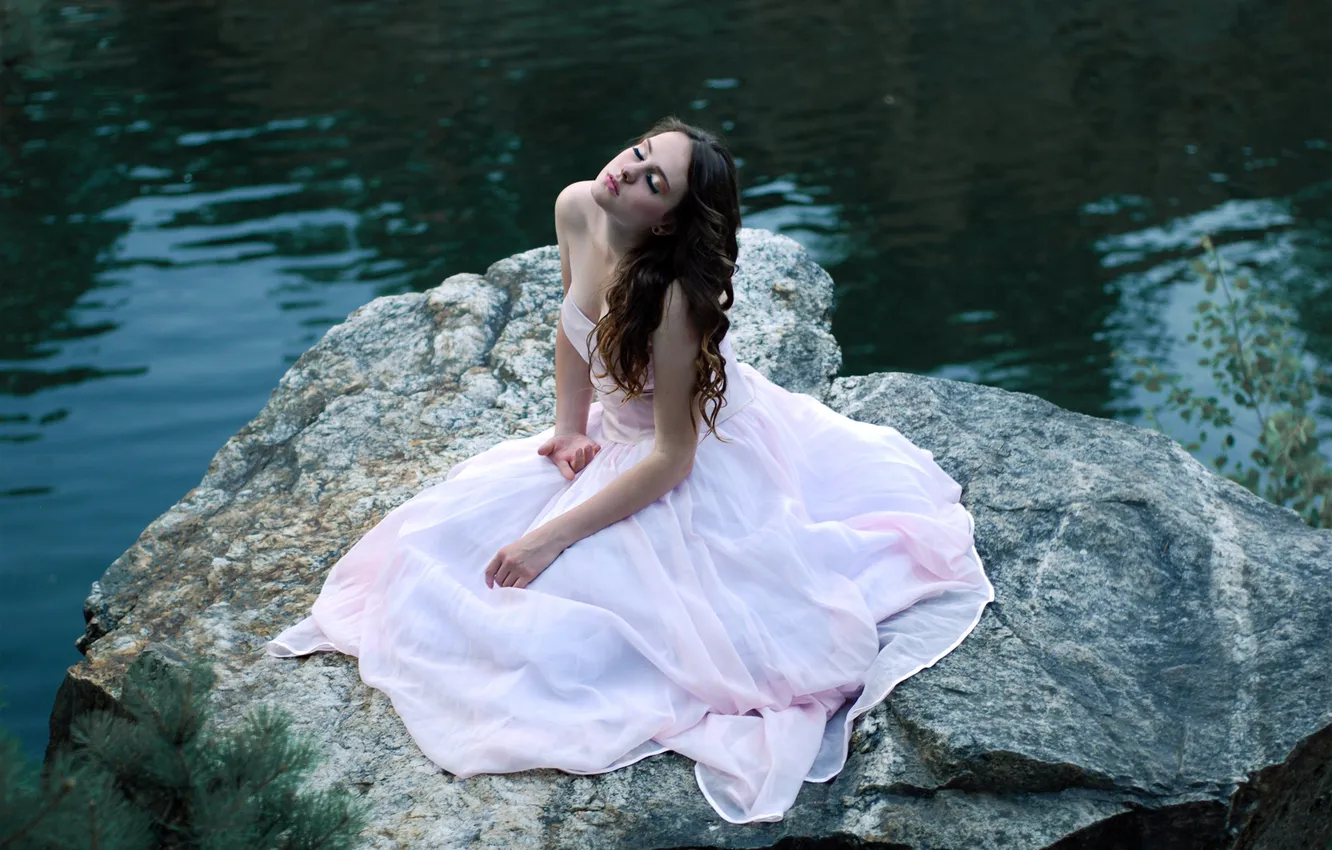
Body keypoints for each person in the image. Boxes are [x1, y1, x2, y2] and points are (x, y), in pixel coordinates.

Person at [266, 116, 995, 824]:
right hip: (613, 435)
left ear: (671, 222)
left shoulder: (677, 300)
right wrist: (566, 427)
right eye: (640, 152)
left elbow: (674, 457)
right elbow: (573, 327)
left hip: (683, 458)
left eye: (655, 180)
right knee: (434, 555)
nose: (628, 169)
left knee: (574, 635)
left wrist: (552, 536)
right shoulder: (579, 204)